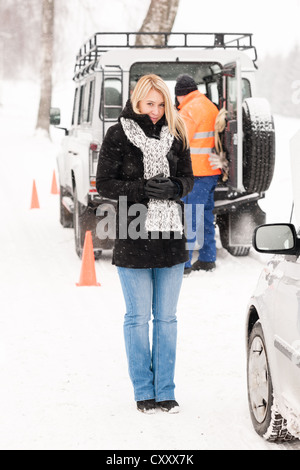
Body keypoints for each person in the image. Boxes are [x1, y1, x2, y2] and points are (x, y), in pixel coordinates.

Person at [96, 74, 194, 414]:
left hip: (171, 237)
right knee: (138, 317)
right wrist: (141, 190)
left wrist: (175, 188)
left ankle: (165, 391)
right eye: (149, 104)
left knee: (166, 318)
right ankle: (143, 391)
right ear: (137, 102)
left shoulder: (177, 133)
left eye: (162, 104)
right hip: (134, 234)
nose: (156, 111)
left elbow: (189, 179)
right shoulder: (118, 135)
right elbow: (104, 183)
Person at [175, 74, 224, 275]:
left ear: (180, 94)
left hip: (196, 173)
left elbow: (179, 141)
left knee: (190, 218)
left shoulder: (189, 110)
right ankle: (207, 258)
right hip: (212, 172)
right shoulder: (210, 106)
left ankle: (184, 264)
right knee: (204, 215)